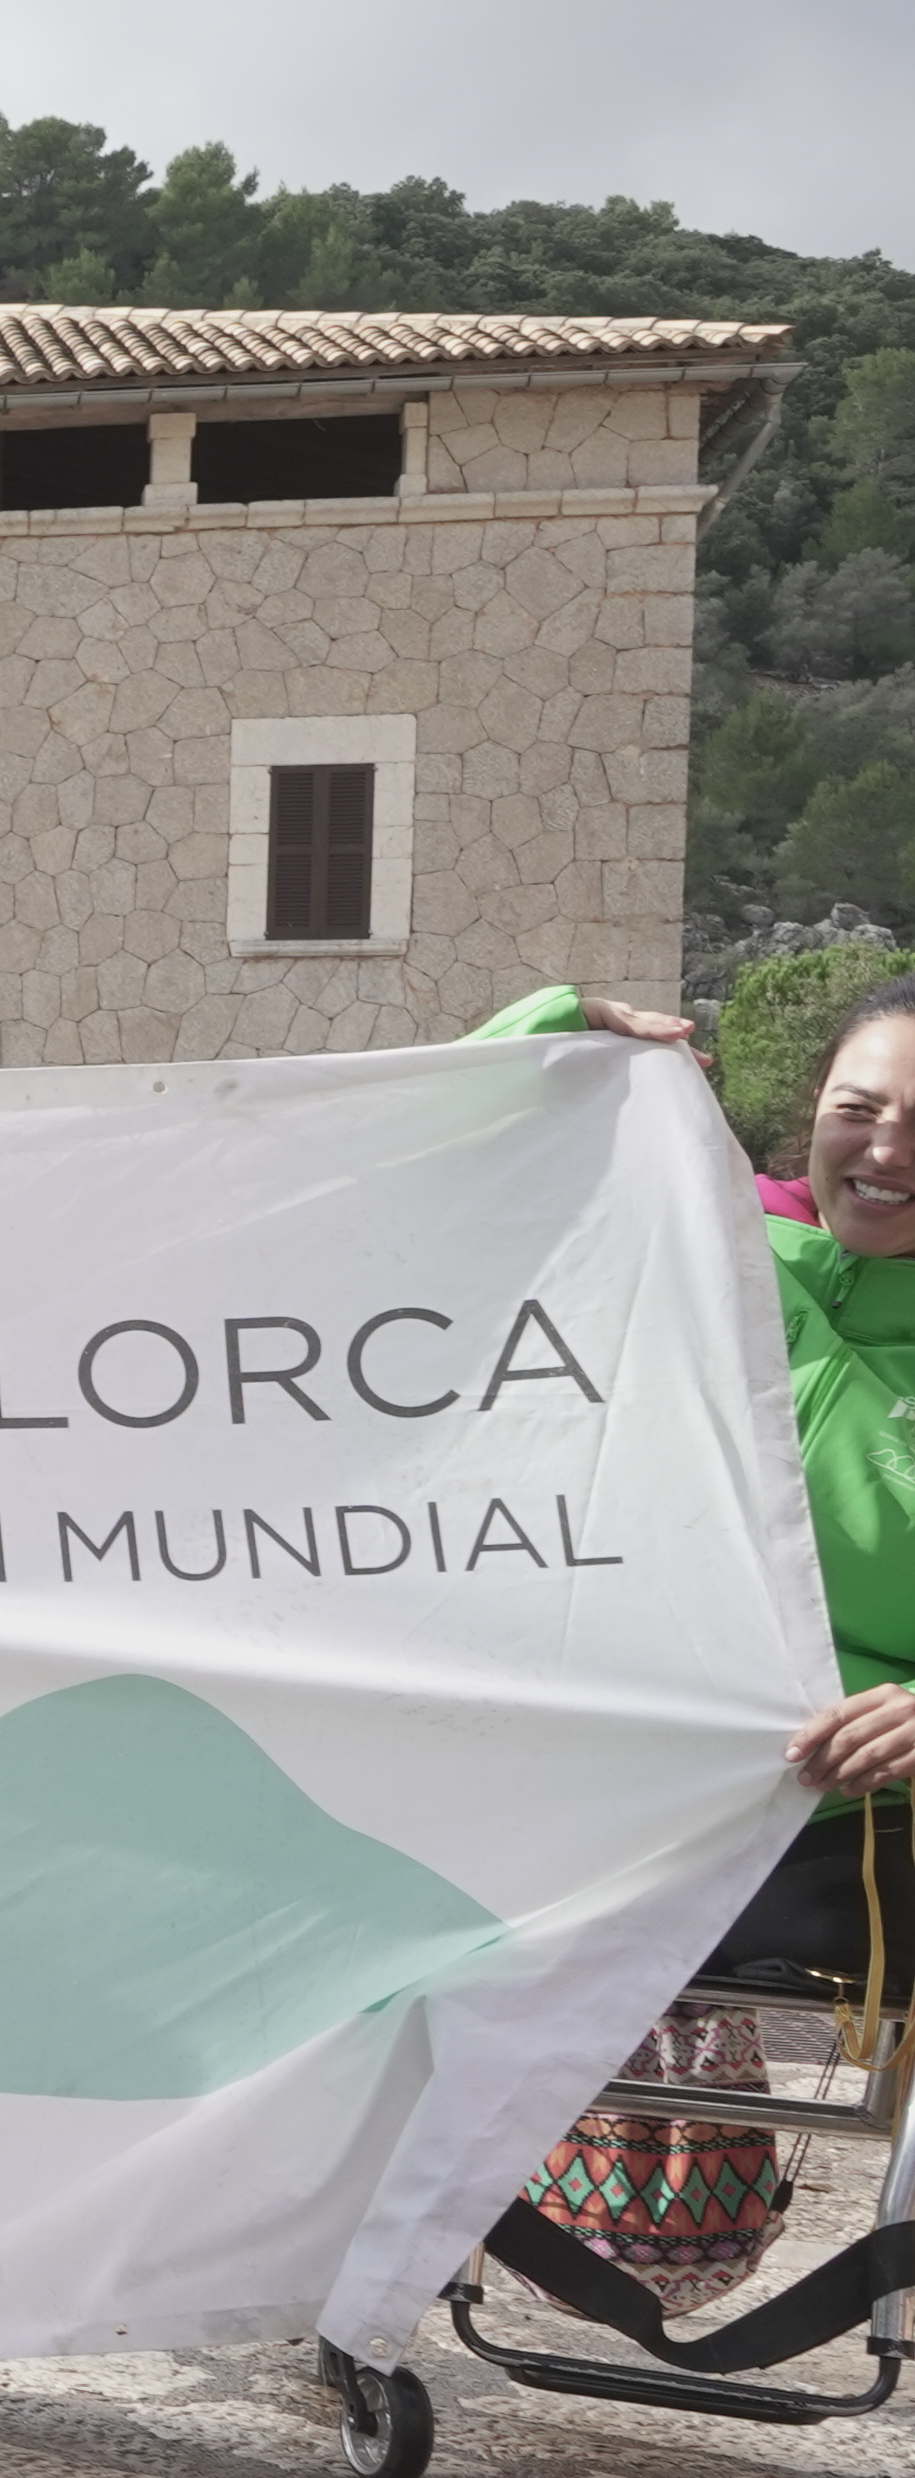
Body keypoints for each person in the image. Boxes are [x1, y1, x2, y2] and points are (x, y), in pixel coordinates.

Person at [470, 981, 915, 2309]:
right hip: (630, 1798)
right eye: (860, 1110)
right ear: (810, 1118)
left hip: (858, 1841)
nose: (887, 1151)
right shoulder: (715, 1251)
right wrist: (557, 1030)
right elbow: (454, 1181)